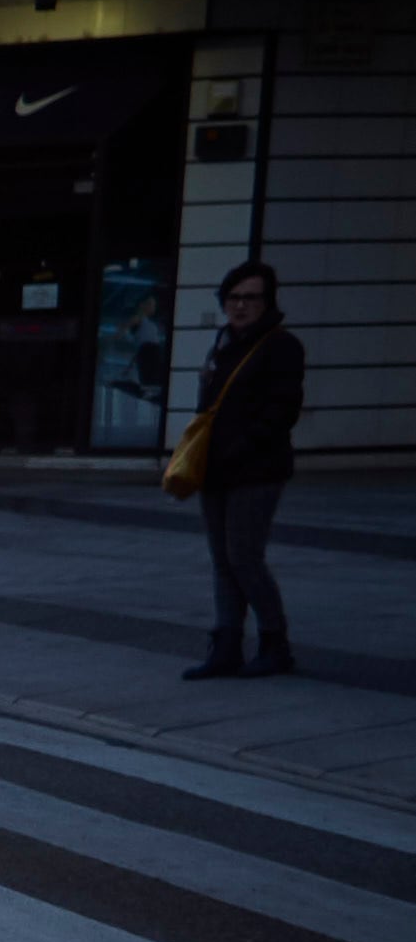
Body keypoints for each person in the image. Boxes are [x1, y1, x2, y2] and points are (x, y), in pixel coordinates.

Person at [186, 260, 305, 681]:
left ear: (267, 301)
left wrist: (242, 445)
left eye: (250, 297)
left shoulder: (280, 346)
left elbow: (282, 410)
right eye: (234, 298)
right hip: (215, 468)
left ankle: (275, 642)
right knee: (222, 559)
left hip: (256, 469)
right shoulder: (223, 342)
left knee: (245, 558)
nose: (240, 306)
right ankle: (226, 643)